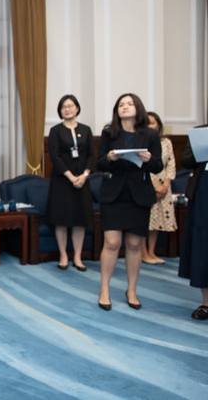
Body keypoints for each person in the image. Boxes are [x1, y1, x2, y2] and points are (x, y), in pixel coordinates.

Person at [96, 93, 162, 311]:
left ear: (138, 108)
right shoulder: (109, 133)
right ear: (117, 110)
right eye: (121, 104)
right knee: (112, 243)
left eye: (129, 103)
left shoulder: (150, 135)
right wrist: (110, 158)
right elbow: (100, 163)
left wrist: (148, 159)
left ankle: (131, 290)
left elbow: (158, 166)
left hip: (139, 194)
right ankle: (104, 289)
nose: (125, 107)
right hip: (114, 194)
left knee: (134, 245)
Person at [46, 94, 95, 271]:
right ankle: (63, 255)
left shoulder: (86, 130)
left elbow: (91, 155)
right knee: (62, 219)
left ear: (77, 108)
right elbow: (55, 156)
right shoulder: (55, 131)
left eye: (70, 106)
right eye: (64, 107)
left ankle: (77, 256)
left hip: (83, 180)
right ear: (60, 111)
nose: (67, 109)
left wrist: (84, 175)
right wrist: (71, 176)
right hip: (62, 181)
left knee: (79, 220)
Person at [178, 124, 208, 320]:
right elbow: (186, 160)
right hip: (204, 189)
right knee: (203, 243)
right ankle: (206, 303)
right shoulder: (201, 131)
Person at [144, 111, 176, 264]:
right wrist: (154, 186)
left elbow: (171, 164)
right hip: (147, 183)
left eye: (153, 122)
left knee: (156, 223)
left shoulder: (166, 142)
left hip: (164, 184)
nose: (150, 125)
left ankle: (152, 252)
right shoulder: (142, 141)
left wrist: (166, 184)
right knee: (145, 221)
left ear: (158, 125)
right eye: (147, 122)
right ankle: (143, 253)